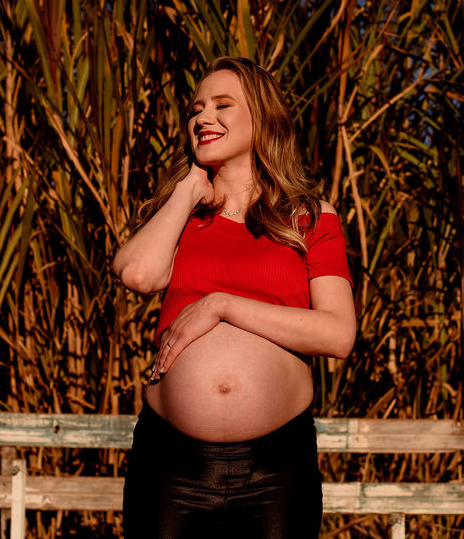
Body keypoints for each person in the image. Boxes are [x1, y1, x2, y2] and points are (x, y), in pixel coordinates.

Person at [114, 56, 356, 539]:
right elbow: (138, 274)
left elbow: (338, 334)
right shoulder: (182, 215)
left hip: (277, 468)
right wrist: (186, 191)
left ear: (262, 117)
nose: (203, 117)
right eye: (196, 108)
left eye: (222, 104)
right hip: (169, 462)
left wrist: (221, 304)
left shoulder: (309, 216)